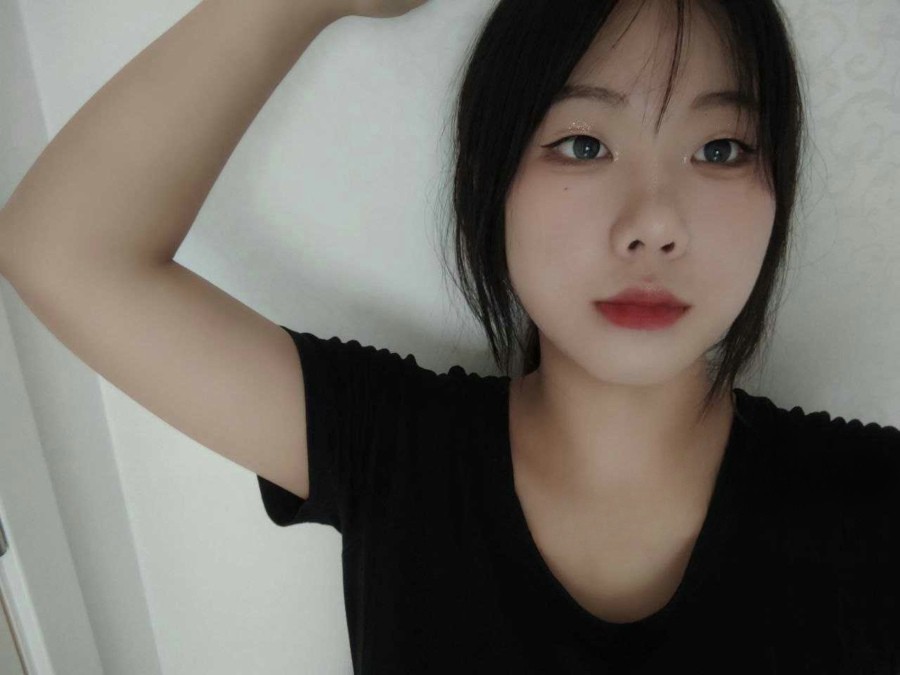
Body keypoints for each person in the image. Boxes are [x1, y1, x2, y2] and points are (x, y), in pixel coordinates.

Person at [0, 0, 897, 672]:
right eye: (584, 144)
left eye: (721, 149)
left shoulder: (874, 504)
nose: (654, 224)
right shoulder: (391, 448)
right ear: (491, 180)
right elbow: (65, 249)